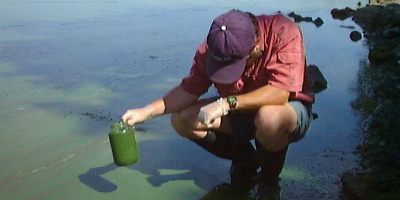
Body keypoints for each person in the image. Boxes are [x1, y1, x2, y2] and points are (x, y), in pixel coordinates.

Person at [121, 10, 314, 200]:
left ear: (255, 49)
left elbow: (280, 94)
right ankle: (247, 160)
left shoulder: (284, 31)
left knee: (268, 119)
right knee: (182, 119)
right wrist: (147, 111)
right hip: (239, 111)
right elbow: (188, 90)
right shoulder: (213, 48)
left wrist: (226, 104)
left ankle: (269, 181)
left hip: (286, 112)